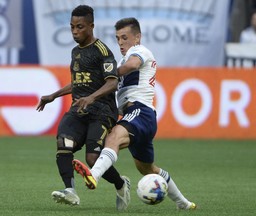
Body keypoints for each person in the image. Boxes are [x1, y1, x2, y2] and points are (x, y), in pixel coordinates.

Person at [72, 17, 197, 210]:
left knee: (113, 137)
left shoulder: (139, 51)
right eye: (118, 38)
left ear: (137, 37)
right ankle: (183, 203)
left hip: (140, 110)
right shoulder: (122, 59)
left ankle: (93, 176)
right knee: (147, 169)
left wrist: (107, 75)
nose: (121, 42)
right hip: (137, 117)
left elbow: (132, 66)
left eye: (125, 37)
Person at [36, 5, 130, 210]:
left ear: (91, 26)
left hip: (102, 112)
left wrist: (92, 97)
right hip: (79, 110)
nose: (75, 31)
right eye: (71, 27)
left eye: (80, 27)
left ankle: (121, 184)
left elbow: (112, 82)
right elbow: (78, 82)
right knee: (63, 143)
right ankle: (70, 191)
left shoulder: (102, 51)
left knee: (92, 158)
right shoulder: (75, 52)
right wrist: (53, 95)